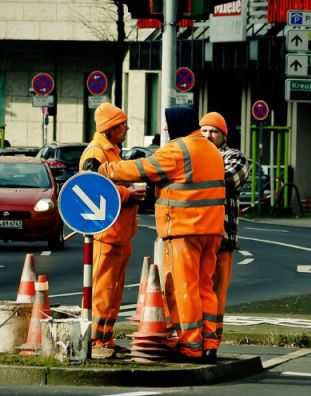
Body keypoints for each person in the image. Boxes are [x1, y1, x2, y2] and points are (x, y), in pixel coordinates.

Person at [84, 106, 225, 363]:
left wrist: (105, 170)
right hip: (212, 230)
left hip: (184, 229)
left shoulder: (179, 149)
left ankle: (192, 345)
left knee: (185, 288)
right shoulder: (211, 150)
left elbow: (144, 169)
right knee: (206, 287)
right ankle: (210, 343)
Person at [79, 102, 146, 359]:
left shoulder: (111, 152)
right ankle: (97, 340)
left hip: (119, 232)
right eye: (122, 124)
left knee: (113, 290)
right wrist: (128, 193)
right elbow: (92, 187)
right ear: (109, 129)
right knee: (103, 289)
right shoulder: (96, 153)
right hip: (107, 233)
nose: (127, 128)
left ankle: (105, 338)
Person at [199, 112, 249, 357]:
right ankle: (195, 338)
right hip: (196, 235)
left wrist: (195, 175)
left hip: (222, 237)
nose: (208, 136)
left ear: (223, 135)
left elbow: (227, 181)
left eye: (213, 132)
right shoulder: (196, 155)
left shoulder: (235, 157)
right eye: (204, 131)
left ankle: (212, 341)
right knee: (196, 290)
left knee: (217, 292)